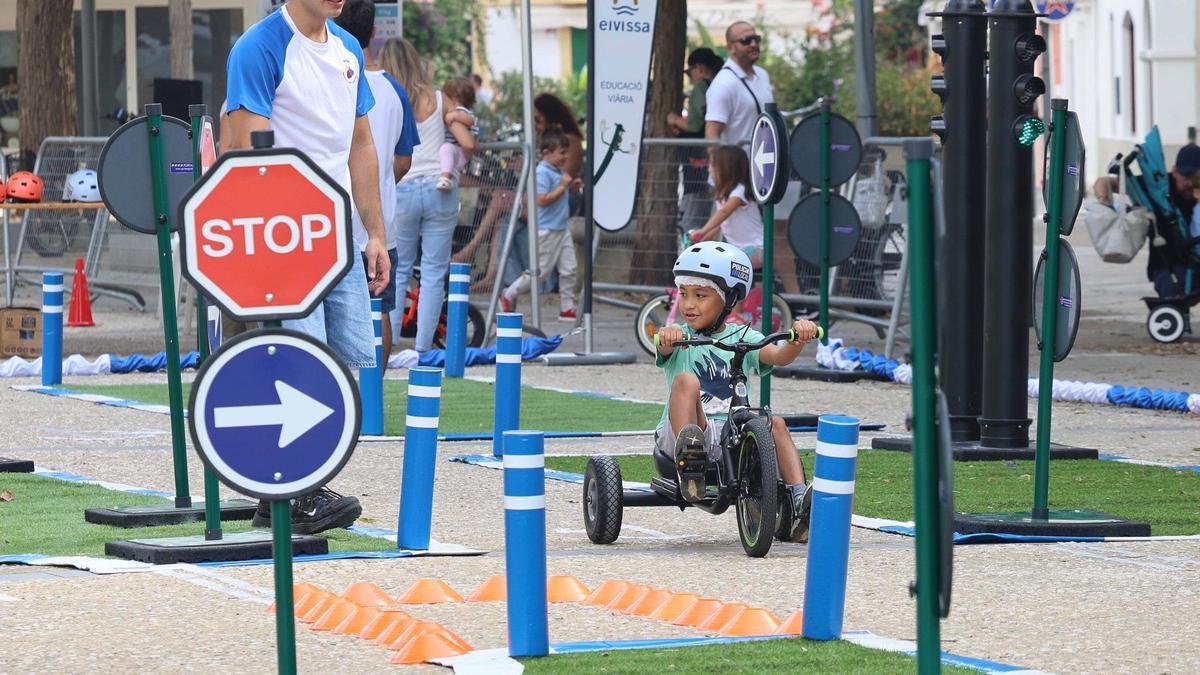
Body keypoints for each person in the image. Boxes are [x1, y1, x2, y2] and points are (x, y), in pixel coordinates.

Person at [224, 0, 391, 533]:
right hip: (283, 236)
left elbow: (360, 145)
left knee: (341, 366)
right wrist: (264, 241)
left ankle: (280, 493)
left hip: (338, 234)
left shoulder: (347, 48)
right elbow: (245, 149)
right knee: (298, 361)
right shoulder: (259, 46)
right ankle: (297, 490)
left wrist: (376, 234)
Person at [654, 241, 820, 542]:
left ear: (729, 298)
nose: (688, 304)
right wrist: (667, 336)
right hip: (688, 432)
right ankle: (689, 461)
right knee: (686, 381)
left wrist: (797, 341)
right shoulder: (680, 337)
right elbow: (665, 347)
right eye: (684, 294)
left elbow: (778, 356)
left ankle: (799, 502)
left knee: (776, 424)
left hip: (732, 435)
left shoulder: (744, 337)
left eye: (701, 296)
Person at [335, 0, 420, 368]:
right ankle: (374, 392)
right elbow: (404, 159)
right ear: (374, 32)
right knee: (379, 309)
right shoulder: (394, 90)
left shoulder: (327, 80)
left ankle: (340, 389)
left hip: (331, 221)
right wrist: (377, 183)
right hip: (380, 224)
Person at [379, 38, 467, 352]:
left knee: (398, 269)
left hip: (402, 187)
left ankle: (389, 343)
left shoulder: (387, 96)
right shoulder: (440, 99)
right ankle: (423, 347)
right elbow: (467, 137)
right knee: (433, 272)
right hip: (439, 187)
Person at [499, 128, 581, 321]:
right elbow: (542, 200)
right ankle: (509, 294)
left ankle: (567, 307)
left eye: (566, 152)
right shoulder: (542, 172)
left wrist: (569, 187)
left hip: (561, 228)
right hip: (547, 230)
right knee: (540, 272)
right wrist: (562, 186)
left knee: (569, 268)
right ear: (546, 153)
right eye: (562, 152)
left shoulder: (556, 171)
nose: (566, 156)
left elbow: (558, 193)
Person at [668, 47, 724, 234]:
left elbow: (694, 124)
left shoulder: (702, 87)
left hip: (697, 157)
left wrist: (673, 119)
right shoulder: (721, 84)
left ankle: (689, 246)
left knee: (693, 212)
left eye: (688, 71)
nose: (689, 76)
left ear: (699, 68)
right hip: (716, 156)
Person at [689, 145, 763, 268]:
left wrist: (703, 230)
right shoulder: (723, 195)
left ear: (726, 168)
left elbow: (724, 213)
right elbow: (719, 224)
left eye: (712, 165)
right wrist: (701, 240)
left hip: (756, 249)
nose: (709, 169)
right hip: (737, 251)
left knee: (720, 264)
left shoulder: (739, 191)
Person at [704, 21, 774, 147]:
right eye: (745, 41)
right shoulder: (724, 84)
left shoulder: (762, 74)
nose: (753, 44)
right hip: (739, 159)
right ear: (730, 48)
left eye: (756, 39)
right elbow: (712, 135)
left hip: (767, 158)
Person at [1155, 144, 1200, 297]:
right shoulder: (1160, 187)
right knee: (1170, 285)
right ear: (1175, 172)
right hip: (1169, 264)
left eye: (1196, 178)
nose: (1190, 184)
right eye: (1186, 177)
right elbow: (1114, 182)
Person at [436, 76, 479, 192]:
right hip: (456, 155)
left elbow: (471, 120)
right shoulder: (460, 110)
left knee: (446, 148)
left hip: (458, 152)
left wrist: (455, 116)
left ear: (454, 98)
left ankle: (445, 178)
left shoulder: (460, 111)